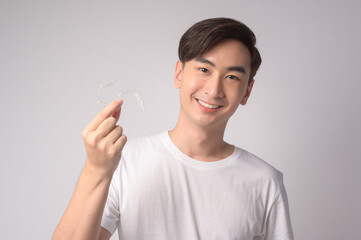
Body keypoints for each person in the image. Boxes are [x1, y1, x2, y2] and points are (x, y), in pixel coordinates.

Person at [53, 17, 294, 240]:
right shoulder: (125, 162)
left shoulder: (265, 182)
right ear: (179, 73)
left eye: (232, 77)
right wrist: (95, 170)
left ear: (247, 91)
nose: (214, 90)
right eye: (204, 70)